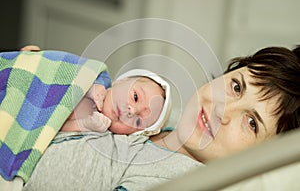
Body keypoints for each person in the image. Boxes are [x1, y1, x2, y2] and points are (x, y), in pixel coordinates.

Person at [22, 46, 300, 191]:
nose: (221, 110)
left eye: (251, 123)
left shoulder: (179, 181)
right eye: (237, 87)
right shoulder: (172, 119)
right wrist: (41, 71)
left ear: (265, 154)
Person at [21, 45, 172, 136]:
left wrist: (84, 125)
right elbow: (63, 69)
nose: (131, 111)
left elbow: (49, 128)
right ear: (121, 81)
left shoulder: (97, 127)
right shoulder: (99, 77)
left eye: (138, 121)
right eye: (135, 97)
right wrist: (39, 59)